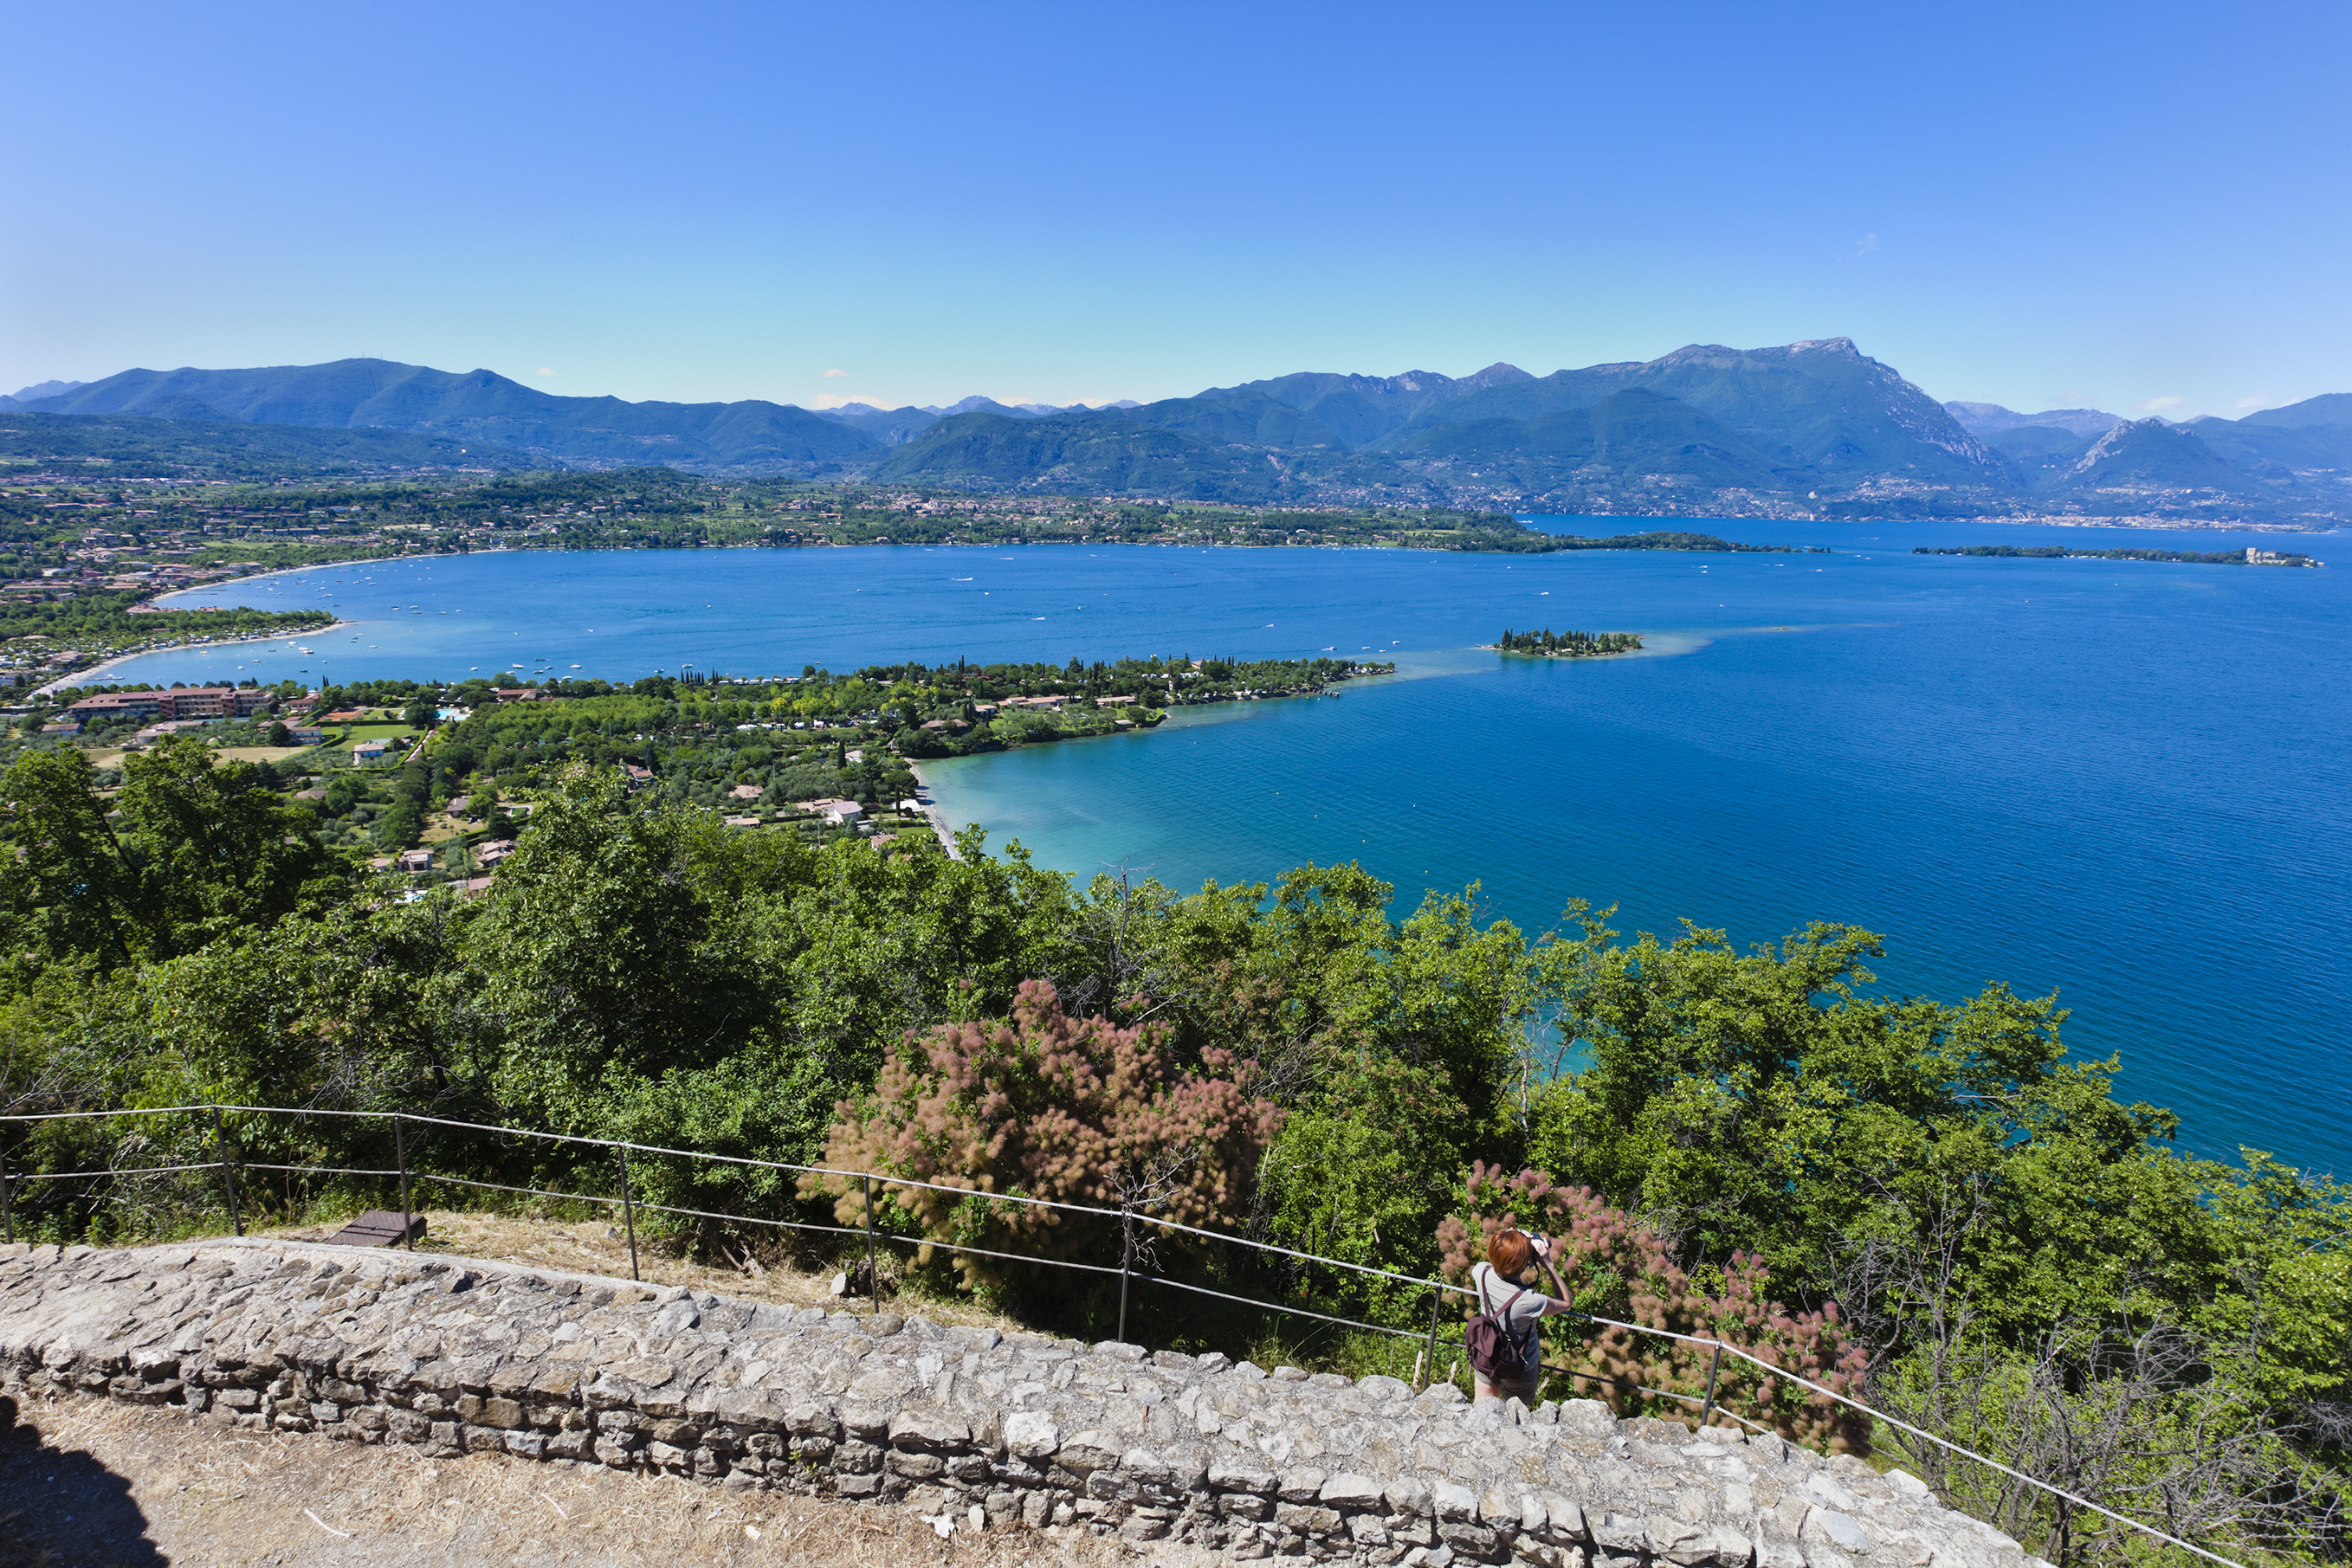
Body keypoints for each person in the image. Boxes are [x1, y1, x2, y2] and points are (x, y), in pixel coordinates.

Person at [1470, 1227, 1573, 1405]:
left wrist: (1512, 1239)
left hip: (1486, 1353)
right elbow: (1565, 1302)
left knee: (1482, 1408)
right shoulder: (1528, 1300)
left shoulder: (1481, 1273)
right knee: (1516, 1416)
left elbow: (1498, 1260)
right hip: (1519, 1365)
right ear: (1525, 1263)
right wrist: (1547, 1263)